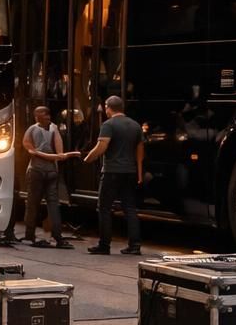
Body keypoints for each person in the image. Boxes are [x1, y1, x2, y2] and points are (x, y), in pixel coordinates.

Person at [84, 95, 144, 256]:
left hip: (111, 172)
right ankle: (135, 246)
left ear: (108, 107)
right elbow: (140, 151)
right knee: (130, 208)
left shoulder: (108, 125)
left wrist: (88, 158)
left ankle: (104, 245)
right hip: (130, 172)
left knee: (104, 208)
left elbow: (101, 146)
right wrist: (139, 172)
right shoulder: (135, 125)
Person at [22, 105, 79, 248]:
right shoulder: (55, 129)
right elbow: (60, 154)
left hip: (36, 170)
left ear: (36, 117)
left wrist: (40, 153)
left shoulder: (31, 130)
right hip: (52, 171)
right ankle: (58, 237)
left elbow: (30, 150)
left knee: (32, 204)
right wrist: (60, 156)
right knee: (53, 203)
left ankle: (30, 235)